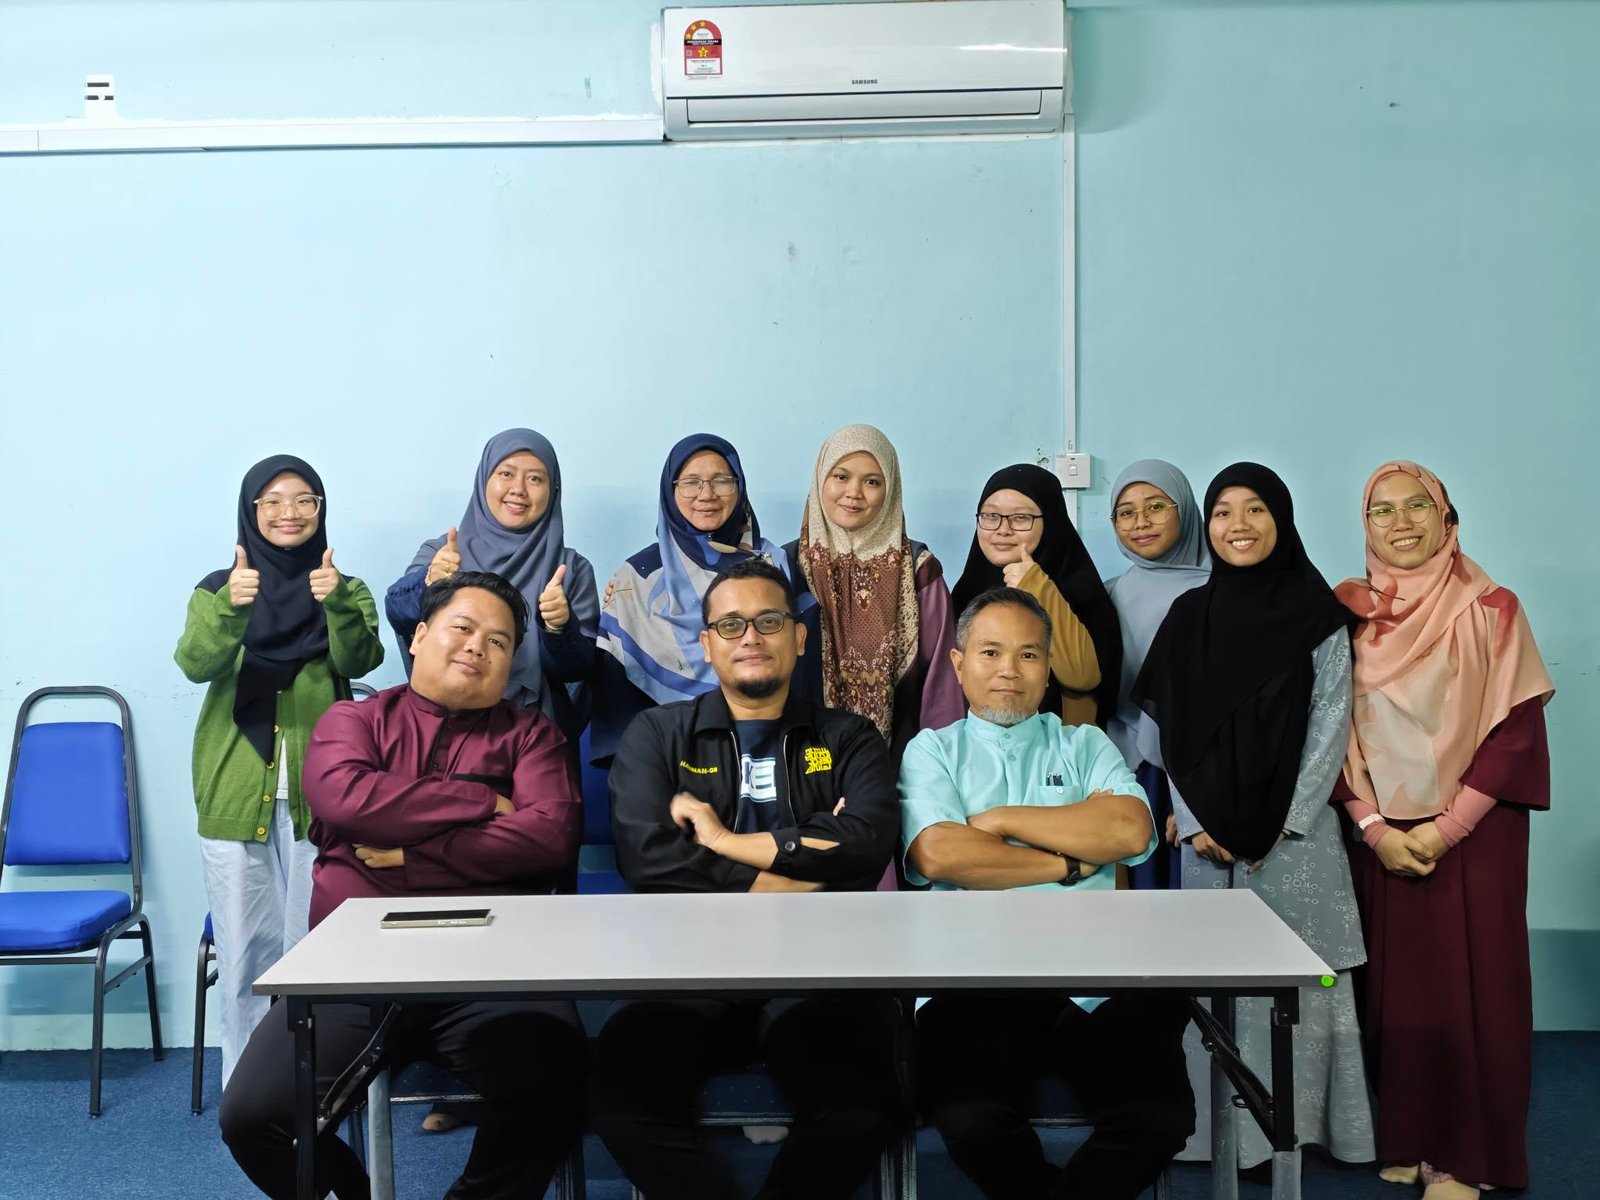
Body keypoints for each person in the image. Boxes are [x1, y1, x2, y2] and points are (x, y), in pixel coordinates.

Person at [219, 571, 587, 1200]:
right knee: (253, 1118)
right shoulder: (352, 720)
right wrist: (482, 801)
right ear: (418, 637)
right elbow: (346, 799)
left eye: (498, 642)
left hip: (492, 968)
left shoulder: (531, 736)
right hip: (354, 967)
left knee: (557, 1084)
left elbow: (548, 838)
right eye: (462, 628)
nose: (477, 647)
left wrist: (411, 857)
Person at [591, 559, 903, 1200]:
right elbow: (647, 858)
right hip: (685, 970)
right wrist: (806, 867)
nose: (751, 636)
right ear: (707, 644)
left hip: (818, 971)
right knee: (622, 1107)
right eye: (731, 624)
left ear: (799, 636)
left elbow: (866, 844)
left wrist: (722, 843)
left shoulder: (849, 738)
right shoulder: (656, 734)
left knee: (860, 1109)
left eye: (769, 621)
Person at [901, 587, 1191, 1200]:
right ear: (959, 664)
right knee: (974, 1123)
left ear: (1049, 665)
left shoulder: (1084, 744)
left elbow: (1129, 830)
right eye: (991, 653)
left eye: (1028, 654)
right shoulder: (932, 750)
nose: (1009, 670)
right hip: (971, 978)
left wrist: (999, 820)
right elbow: (940, 854)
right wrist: (1069, 863)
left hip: (1094, 975)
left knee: (1159, 1117)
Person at [1132, 462, 1374, 1171]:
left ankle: (1305, 1135)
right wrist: (1193, 819)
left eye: (1256, 509)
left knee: (1306, 984)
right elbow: (1171, 735)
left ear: (1282, 520)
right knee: (1214, 986)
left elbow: (1330, 724)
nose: (1238, 525)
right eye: (1223, 512)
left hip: (1295, 841)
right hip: (1207, 841)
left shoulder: (1318, 616)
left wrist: (1287, 823)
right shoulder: (1189, 618)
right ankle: (1218, 1140)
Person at [1333, 462, 1554, 1199]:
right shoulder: (1350, 615)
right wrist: (1373, 827)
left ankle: (1467, 1158)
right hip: (1384, 833)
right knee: (1400, 994)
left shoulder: (1492, 608)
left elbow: (1516, 732)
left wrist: (1445, 829)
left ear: (1446, 518)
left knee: (1477, 990)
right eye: (1382, 510)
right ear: (1365, 526)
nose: (1401, 523)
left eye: (1417, 506)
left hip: (1475, 832)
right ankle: (1410, 1137)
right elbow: (1326, 731)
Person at [175, 454, 384, 1087]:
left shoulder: (343, 586)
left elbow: (361, 657)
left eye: (304, 500)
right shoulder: (219, 587)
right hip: (235, 792)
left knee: (314, 951)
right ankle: (246, 1093)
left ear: (321, 510)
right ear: (251, 511)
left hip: (322, 796)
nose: (289, 512)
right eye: (272, 501)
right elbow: (196, 663)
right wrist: (231, 610)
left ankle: (310, 1091)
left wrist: (337, 603)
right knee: (243, 958)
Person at [384, 428, 598, 741]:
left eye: (535, 479)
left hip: (535, 736)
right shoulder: (444, 553)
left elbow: (577, 671)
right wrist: (429, 582)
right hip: (441, 728)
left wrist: (557, 628)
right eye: (506, 474)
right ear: (484, 479)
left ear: (553, 490)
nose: (518, 490)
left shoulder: (571, 569)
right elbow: (398, 615)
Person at [593, 433, 792, 762]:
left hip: (763, 751)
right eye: (690, 482)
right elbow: (617, 696)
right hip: (662, 756)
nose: (707, 494)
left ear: (740, 486)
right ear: (670, 492)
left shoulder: (773, 566)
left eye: (721, 480)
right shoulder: (638, 577)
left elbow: (793, 671)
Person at [784, 424, 963, 767]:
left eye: (872, 482)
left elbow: (941, 682)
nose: (854, 493)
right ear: (820, 479)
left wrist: (940, 769)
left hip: (902, 763)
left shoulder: (918, 570)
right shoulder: (786, 567)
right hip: (801, 762)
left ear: (891, 490)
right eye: (841, 476)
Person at [1103, 459, 1211, 889]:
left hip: (1200, 772)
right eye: (1125, 512)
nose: (1140, 522)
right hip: (1125, 769)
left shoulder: (1221, 591)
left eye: (1156, 507)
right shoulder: (1107, 595)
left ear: (1185, 509)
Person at [950, 463, 1122, 730]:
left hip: (1058, 745)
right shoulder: (966, 593)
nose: (1002, 529)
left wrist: (1038, 587)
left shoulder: (1079, 589)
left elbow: (1083, 678)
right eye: (991, 516)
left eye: (1020, 518)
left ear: (1050, 521)